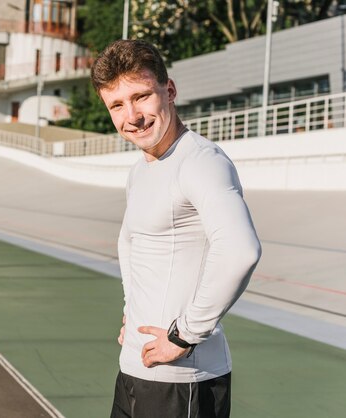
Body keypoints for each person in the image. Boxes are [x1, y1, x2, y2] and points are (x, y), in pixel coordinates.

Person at [91, 40, 262, 418]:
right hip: (136, 370)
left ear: (169, 91)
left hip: (182, 380)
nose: (132, 116)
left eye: (141, 97)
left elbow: (239, 250)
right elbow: (135, 248)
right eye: (117, 105)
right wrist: (130, 309)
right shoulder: (140, 170)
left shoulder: (201, 161)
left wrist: (185, 335)